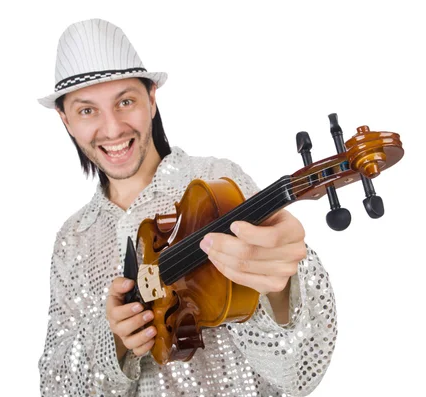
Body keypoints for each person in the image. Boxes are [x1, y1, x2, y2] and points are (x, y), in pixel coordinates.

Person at [38, 18, 337, 397]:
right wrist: (111, 339)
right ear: (65, 119)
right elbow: (55, 385)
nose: (112, 129)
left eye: (125, 101)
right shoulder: (73, 239)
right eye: (87, 111)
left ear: (151, 98)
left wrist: (279, 291)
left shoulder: (214, 186)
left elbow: (298, 370)